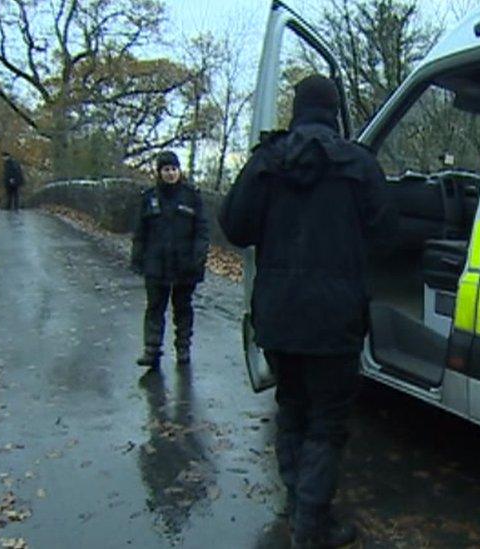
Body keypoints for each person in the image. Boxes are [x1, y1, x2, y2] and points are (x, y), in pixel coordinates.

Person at [219, 74, 394, 548]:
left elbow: (234, 226)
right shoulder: (359, 164)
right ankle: (310, 527)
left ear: (294, 110)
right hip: (335, 319)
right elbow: (386, 231)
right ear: (334, 111)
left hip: (277, 316)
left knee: (292, 410)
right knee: (327, 422)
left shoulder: (266, 163)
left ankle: (300, 508)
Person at [130, 151, 210, 369]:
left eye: (174, 169)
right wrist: (137, 258)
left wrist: (198, 256)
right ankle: (151, 350)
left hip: (185, 264)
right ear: (159, 172)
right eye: (166, 169)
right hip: (156, 264)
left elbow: (202, 230)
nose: (171, 173)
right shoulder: (149, 198)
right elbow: (140, 231)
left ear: (179, 170)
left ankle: (183, 348)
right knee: (155, 307)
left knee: (183, 308)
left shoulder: (191, 196)